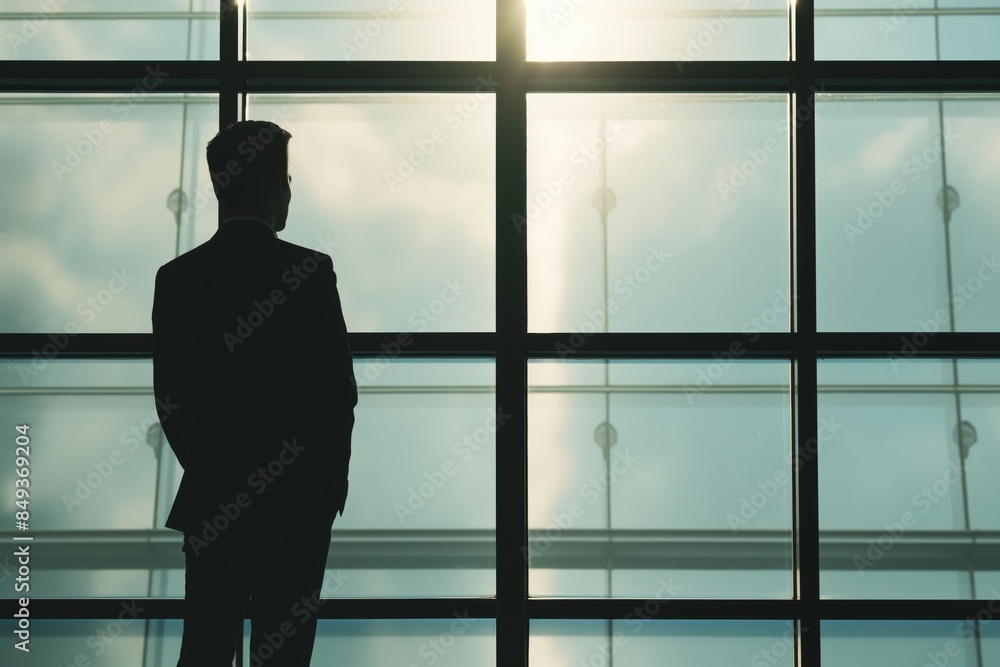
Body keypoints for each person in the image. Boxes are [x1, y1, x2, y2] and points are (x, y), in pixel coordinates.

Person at [151, 119, 357, 666]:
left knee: (206, 649)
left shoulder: (178, 279)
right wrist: (324, 485)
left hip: (214, 498)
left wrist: (211, 466)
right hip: (296, 506)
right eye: (287, 178)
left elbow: (171, 398)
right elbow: (339, 392)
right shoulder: (309, 272)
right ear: (276, 187)